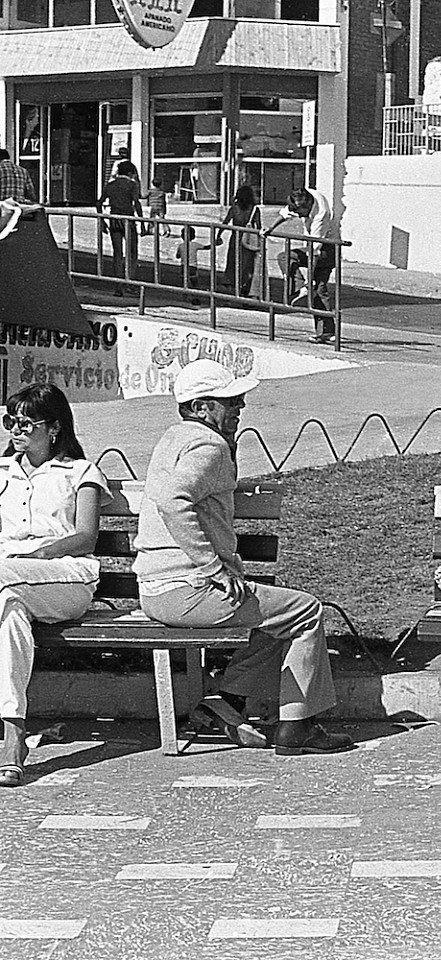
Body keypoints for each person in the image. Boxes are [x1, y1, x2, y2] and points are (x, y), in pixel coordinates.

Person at [133, 359, 353, 756]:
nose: (240, 408)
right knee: (305, 611)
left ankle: (228, 702)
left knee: (276, 617)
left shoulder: (174, 438)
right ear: (200, 407)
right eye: (230, 401)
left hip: (156, 589)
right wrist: (211, 566)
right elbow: (173, 501)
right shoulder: (208, 445)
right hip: (191, 590)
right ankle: (298, 726)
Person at [0, 385, 112, 787]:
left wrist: (38, 557)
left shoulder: (81, 473)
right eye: (9, 421)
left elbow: (85, 537)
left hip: (65, 577)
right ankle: (13, 734)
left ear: (54, 428)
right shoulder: (2, 472)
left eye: (26, 423)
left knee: (4, 580)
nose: (15, 430)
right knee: (9, 607)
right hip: (11, 582)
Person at [263, 187, 337, 343]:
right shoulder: (304, 195)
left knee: (287, 258)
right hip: (318, 247)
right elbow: (286, 213)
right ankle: (327, 332)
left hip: (326, 249)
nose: (299, 217)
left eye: (301, 214)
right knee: (319, 289)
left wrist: (309, 279)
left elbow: (314, 251)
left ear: (308, 206)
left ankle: (300, 289)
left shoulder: (320, 215)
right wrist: (270, 228)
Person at [97, 160, 142, 297]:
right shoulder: (131, 185)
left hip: (114, 220)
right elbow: (136, 203)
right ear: (129, 173)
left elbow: (99, 203)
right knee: (132, 252)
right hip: (128, 220)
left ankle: (118, 286)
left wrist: (102, 221)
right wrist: (143, 222)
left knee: (117, 253)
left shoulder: (110, 185)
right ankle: (130, 282)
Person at [222, 185, 262, 299]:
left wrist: (218, 236)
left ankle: (230, 290)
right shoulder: (254, 209)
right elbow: (259, 226)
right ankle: (244, 288)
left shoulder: (234, 208)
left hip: (235, 238)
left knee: (232, 263)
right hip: (247, 241)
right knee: (246, 265)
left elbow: (225, 222)